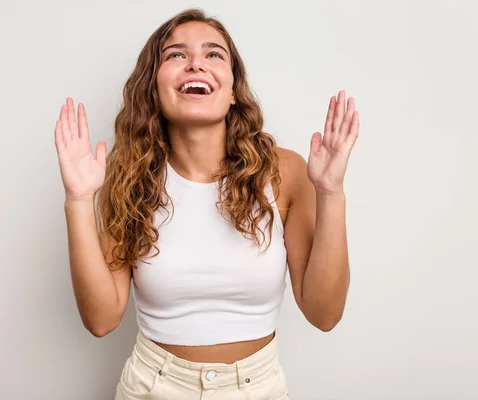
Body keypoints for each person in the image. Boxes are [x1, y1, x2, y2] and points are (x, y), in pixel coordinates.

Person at [54, 8, 359, 400]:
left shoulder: (282, 172)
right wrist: (78, 200)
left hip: (258, 388)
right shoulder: (130, 179)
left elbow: (325, 314)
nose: (196, 63)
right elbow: (100, 319)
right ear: (154, 87)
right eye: (176, 55)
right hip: (153, 387)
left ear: (233, 91)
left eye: (214, 54)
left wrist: (331, 193)